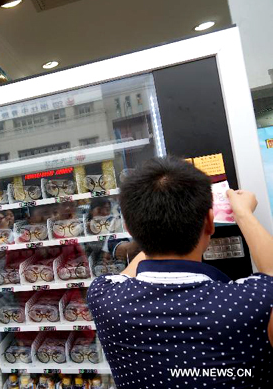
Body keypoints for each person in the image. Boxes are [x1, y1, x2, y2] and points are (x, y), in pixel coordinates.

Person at [87, 156, 273, 388]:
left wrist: (155, 227)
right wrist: (243, 214)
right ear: (209, 223)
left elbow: (139, 258)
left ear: (129, 229)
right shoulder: (253, 302)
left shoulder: (103, 296)